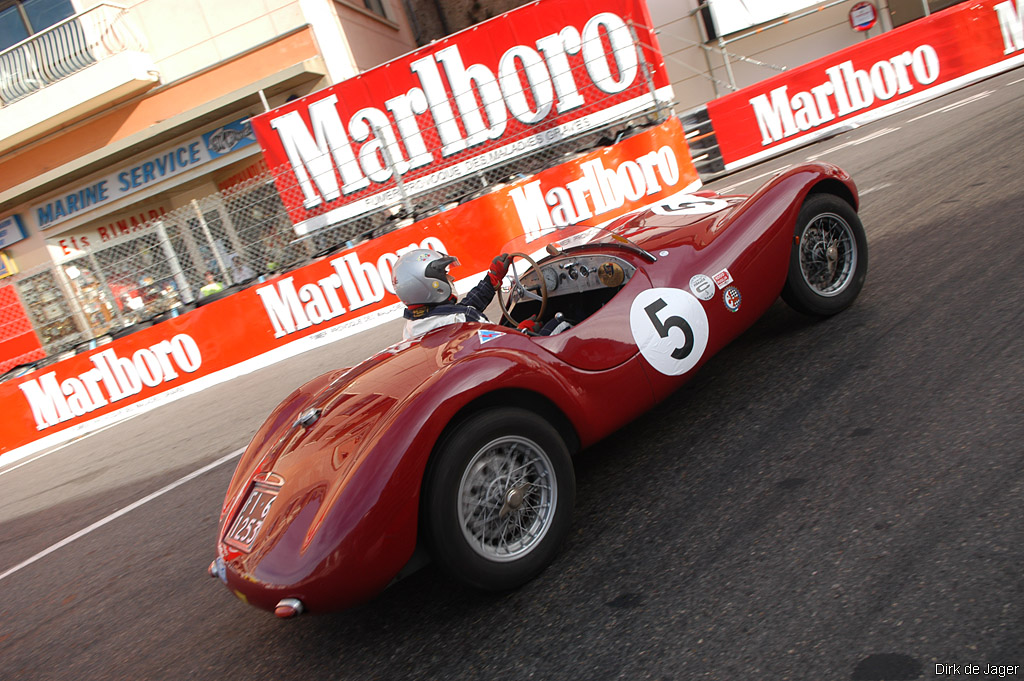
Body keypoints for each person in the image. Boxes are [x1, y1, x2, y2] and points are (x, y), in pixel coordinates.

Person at [393, 249, 512, 340]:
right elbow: (508, 344)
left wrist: (490, 281)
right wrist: (526, 329)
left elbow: (460, 310)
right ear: (429, 282)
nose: (452, 278)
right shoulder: (463, 320)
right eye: (445, 274)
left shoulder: (411, 329)